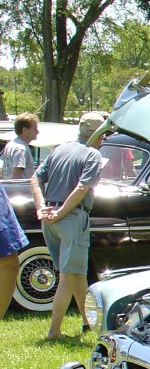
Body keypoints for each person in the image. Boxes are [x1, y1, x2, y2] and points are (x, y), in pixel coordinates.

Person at [29, 111, 107, 340]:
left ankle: (87, 323)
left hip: (50, 217)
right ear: (97, 135)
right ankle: (54, 331)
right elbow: (82, 188)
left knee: (76, 274)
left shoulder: (59, 149)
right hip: (71, 218)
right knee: (68, 275)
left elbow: (35, 178)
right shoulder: (92, 155)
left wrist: (41, 207)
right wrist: (62, 212)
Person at [0, 113, 38, 319]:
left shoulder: (10, 145)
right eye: (34, 128)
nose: (37, 132)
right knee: (8, 261)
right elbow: (17, 175)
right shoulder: (21, 148)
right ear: (24, 129)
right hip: (19, 193)